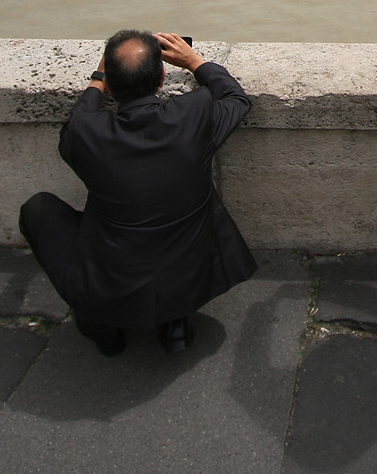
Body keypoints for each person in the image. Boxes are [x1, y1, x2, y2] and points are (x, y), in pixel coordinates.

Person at [20, 30, 257, 356]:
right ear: (161, 78)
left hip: (113, 284)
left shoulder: (86, 134)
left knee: (38, 210)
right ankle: (175, 322)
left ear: (112, 86)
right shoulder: (192, 114)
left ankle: (102, 327)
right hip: (190, 276)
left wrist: (98, 78)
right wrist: (194, 62)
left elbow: (79, 119)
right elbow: (236, 99)